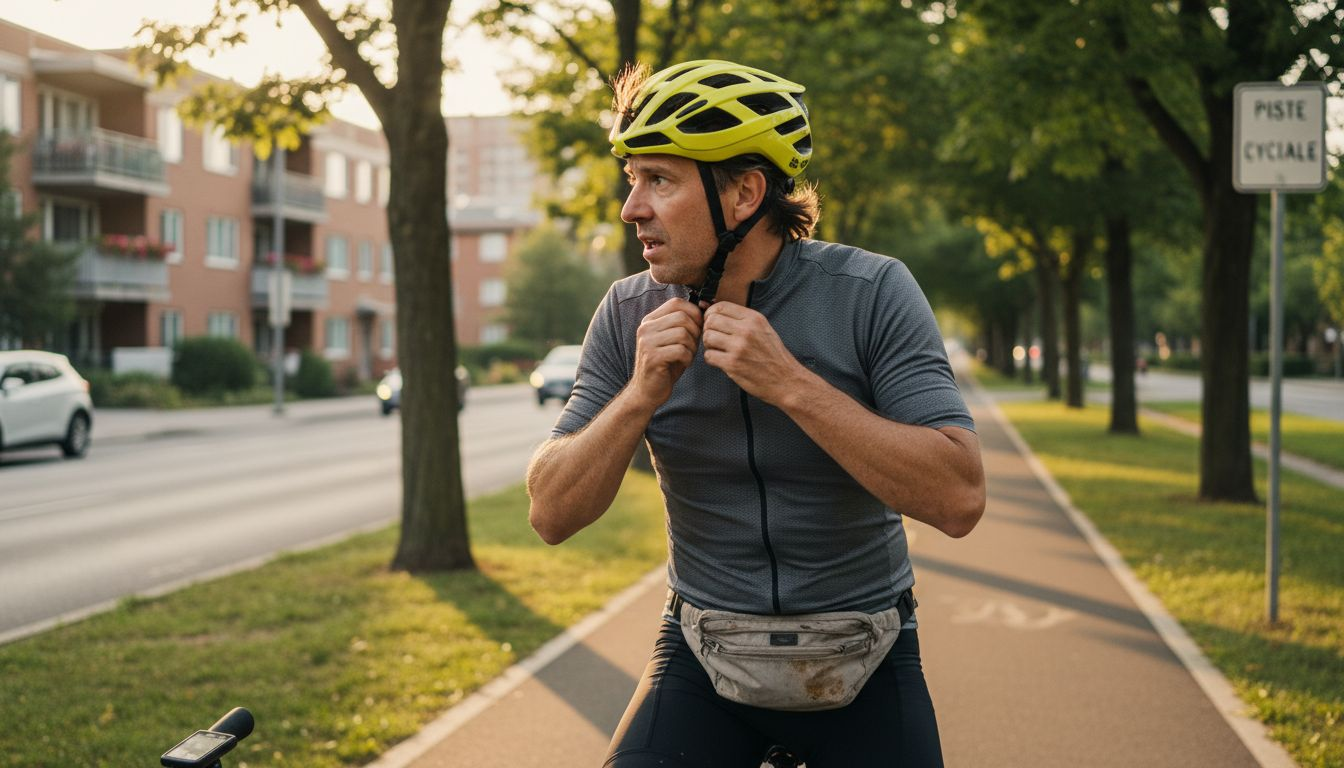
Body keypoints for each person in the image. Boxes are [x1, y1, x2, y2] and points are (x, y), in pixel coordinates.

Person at [526, 59, 985, 767]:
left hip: (864, 655)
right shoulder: (627, 313)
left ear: (744, 194)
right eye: (632, 180)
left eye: (660, 180)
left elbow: (958, 496)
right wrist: (639, 396)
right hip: (703, 656)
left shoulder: (871, 293)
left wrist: (793, 386)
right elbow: (550, 512)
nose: (631, 208)